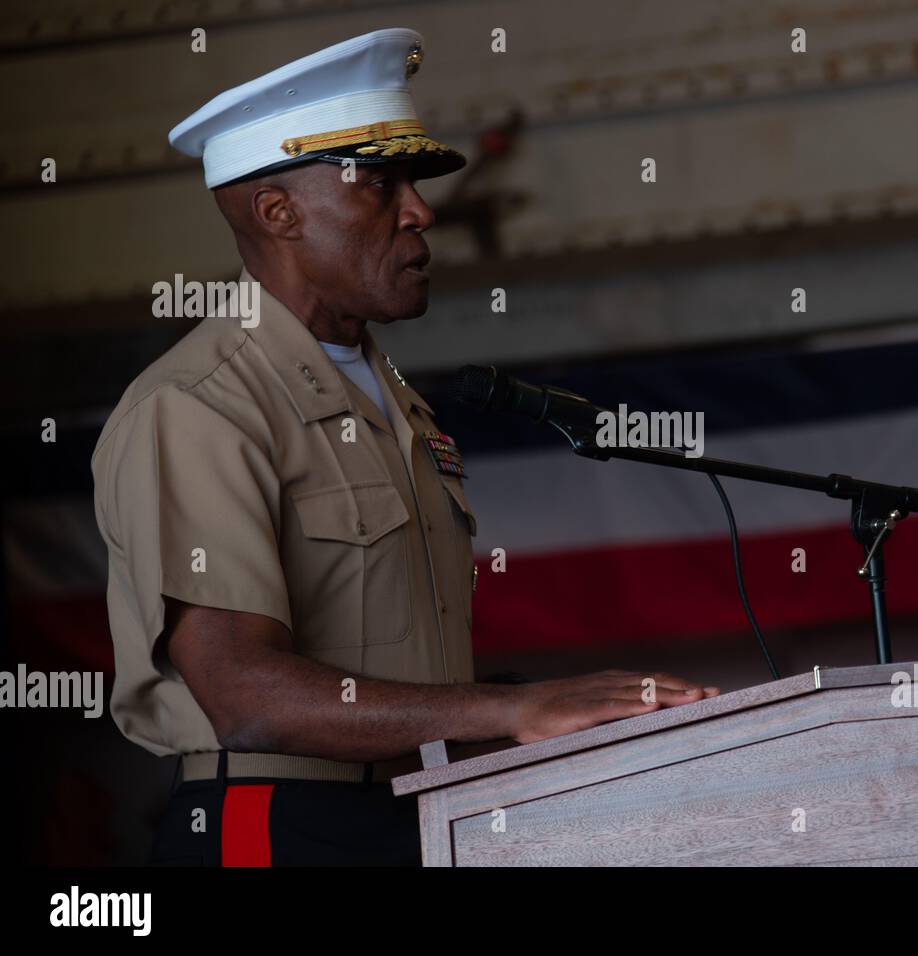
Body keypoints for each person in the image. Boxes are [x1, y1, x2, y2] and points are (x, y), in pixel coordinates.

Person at [91, 28, 719, 866]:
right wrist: (511, 710)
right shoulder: (201, 405)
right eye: (380, 186)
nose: (420, 211)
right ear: (278, 214)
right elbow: (243, 695)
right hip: (273, 826)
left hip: (418, 810)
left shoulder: (394, 401)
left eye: (413, 185)